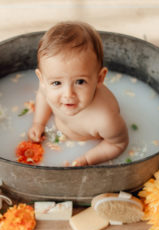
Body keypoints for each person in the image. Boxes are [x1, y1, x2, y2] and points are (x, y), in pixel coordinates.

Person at [28, 21, 128, 166]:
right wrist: (38, 123)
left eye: (80, 82)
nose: (68, 94)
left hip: (88, 142)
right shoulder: (46, 87)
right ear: (42, 79)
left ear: (100, 78)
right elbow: (42, 96)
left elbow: (118, 144)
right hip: (59, 135)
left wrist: (88, 159)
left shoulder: (105, 119)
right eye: (57, 83)